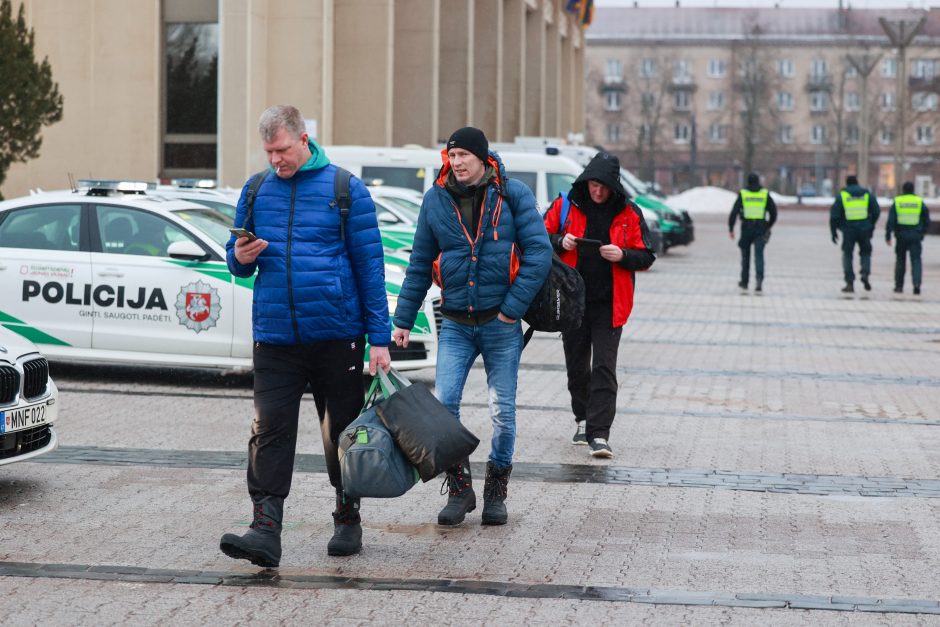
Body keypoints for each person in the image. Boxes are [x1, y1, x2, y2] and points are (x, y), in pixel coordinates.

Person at [219, 105, 392, 567]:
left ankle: (347, 516)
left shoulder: (344, 188)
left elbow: (370, 266)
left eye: (281, 150)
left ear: (302, 139)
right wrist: (240, 254)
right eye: (268, 152)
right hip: (275, 336)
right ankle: (265, 528)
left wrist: (380, 338)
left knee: (342, 432)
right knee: (269, 429)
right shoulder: (256, 190)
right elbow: (236, 261)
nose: (276, 159)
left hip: (336, 335)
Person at [391, 127, 551, 527]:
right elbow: (418, 263)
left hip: (501, 323)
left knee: (504, 411)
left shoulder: (513, 195)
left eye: (464, 154)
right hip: (457, 323)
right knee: (445, 408)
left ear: (483, 158)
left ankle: (497, 490)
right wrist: (403, 320)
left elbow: (540, 253)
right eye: (452, 155)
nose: (457, 162)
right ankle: (460, 489)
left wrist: (512, 309)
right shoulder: (436, 200)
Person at [543, 151, 656, 458]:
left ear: (614, 186)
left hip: (611, 304)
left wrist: (623, 255)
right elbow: (538, 235)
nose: (597, 191)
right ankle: (582, 418)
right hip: (573, 303)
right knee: (577, 368)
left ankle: (600, 434)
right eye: (593, 184)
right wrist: (559, 241)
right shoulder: (565, 205)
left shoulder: (629, 212)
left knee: (604, 367)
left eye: (604, 186)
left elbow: (646, 255)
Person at [830, 175, 880, 293]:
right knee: (866, 253)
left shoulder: (843, 195)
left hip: (848, 230)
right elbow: (876, 211)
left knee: (847, 254)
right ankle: (865, 274)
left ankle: (849, 282)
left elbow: (834, 215)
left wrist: (834, 231)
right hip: (864, 229)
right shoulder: (866, 194)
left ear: (847, 184)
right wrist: (871, 225)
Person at [728, 173, 777, 292]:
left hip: (746, 228)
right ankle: (759, 280)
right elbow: (774, 212)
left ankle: (744, 282)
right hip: (760, 228)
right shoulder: (764, 194)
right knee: (759, 255)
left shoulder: (743, 194)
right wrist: (768, 225)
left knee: (745, 256)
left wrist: (731, 228)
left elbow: (734, 212)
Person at [886, 181, 931, 295]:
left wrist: (888, 235)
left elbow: (891, 220)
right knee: (916, 260)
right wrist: (922, 232)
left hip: (901, 236)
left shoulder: (898, 201)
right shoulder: (919, 201)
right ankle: (916, 284)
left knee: (900, 261)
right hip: (915, 236)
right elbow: (926, 218)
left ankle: (899, 286)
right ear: (913, 190)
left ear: (903, 190)